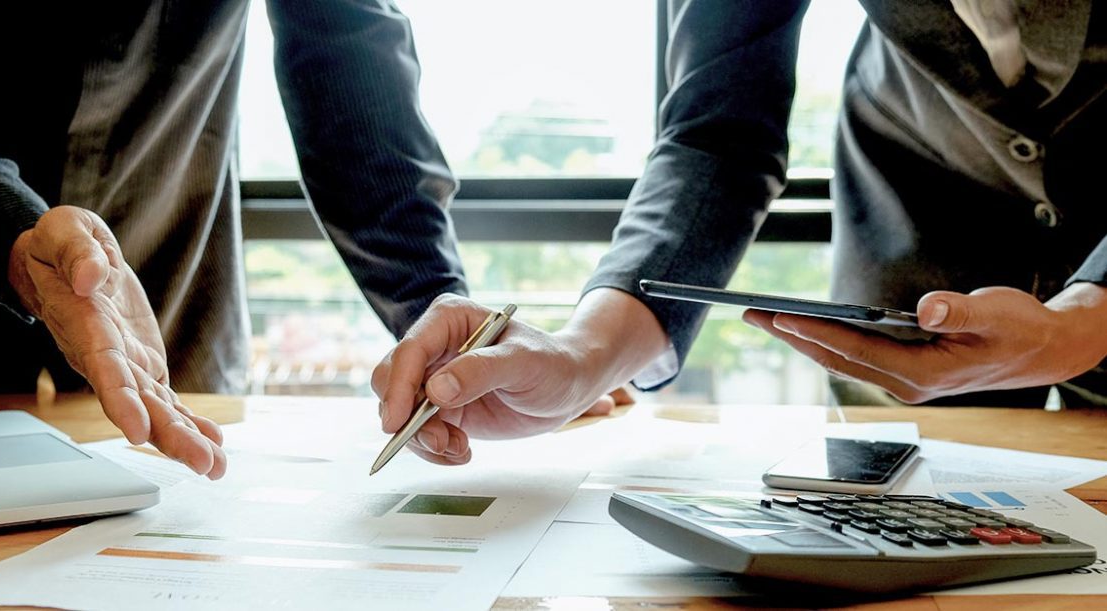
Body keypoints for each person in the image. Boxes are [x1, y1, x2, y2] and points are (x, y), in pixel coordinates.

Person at [371, 0, 1107, 466]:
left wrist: (1087, 317)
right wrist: (582, 355)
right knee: (910, 532)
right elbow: (718, 135)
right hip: (919, 225)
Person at [0, 1, 466, 478]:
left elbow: (352, 79)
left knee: (183, 519)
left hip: (165, 316)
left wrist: (447, 324)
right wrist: (4, 222)